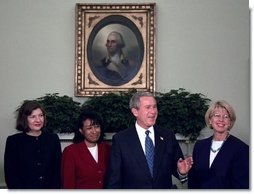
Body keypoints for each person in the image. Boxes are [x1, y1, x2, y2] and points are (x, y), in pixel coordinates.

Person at [105, 91, 193, 189]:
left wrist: (181, 172)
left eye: (154, 107)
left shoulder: (168, 136)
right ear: (135, 112)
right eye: (148, 107)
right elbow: (114, 180)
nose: (153, 111)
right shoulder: (121, 140)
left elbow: (178, 168)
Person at [188, 100, 249, 189]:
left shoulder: (242, 149)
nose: (221, 119)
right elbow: (193, 180)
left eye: (226, 117)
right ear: (210, 120)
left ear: (230, 122)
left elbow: (242, 185)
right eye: (217, 115)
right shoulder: (199, 146)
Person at [4, 100, 62, 189]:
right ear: (24, 119)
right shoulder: (13, 142)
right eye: (32, 116)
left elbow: (57, 171)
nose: (38, 120)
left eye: (41, 115)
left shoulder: (53, 139)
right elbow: (10, 175)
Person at [61, 111, 111, 189]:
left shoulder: (107, 149)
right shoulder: (71, 152)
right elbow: (68, 184)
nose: (94, 131)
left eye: (97, 126)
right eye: (89, 128)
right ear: (81, 130)